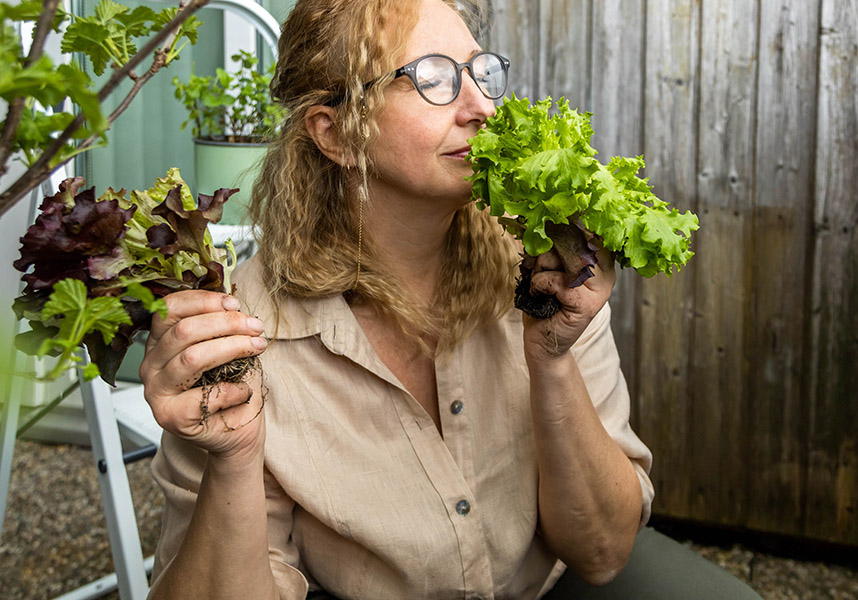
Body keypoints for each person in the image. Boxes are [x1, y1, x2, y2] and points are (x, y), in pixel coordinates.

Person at [140, 1, 762, 598]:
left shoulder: (544, 269)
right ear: (335, 135)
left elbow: (602, 552)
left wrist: (552, 360)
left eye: (480, 72)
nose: (481, 105)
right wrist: (235, 461)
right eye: (432, 78)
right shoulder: (242, 336)